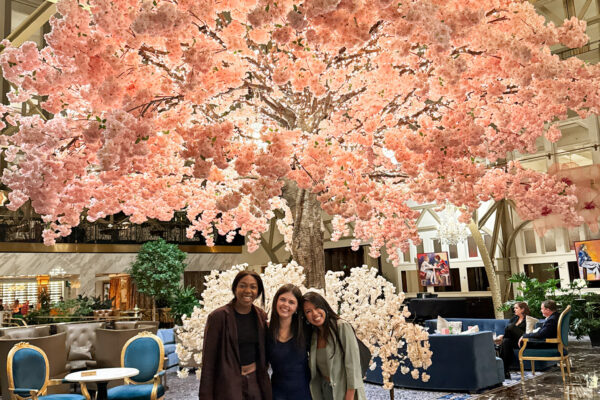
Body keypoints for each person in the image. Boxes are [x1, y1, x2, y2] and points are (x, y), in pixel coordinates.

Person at [199, 270, 272, 400]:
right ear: (235, 288)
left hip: (255, 382)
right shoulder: (218, 317)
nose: (248, 290)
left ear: (258, 291)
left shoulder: (261, 316)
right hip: (228, 384)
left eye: (253, 287)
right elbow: (208, 361)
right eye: (242, 285)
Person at [303, 291, 366, 400]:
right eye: (308, 311)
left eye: (317, 307)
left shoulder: (341, 326)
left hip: (345, 390)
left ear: (324, 306)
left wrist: (350, 396)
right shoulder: (314, 334)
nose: (314, 313)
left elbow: (353, 365)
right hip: (325, 390)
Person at [267, 284, 311, 400]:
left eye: (291, 302)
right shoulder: (267, 331)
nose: (286, 305)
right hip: (277, 393)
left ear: (297, 308)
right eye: (282, 300)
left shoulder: (306, 330)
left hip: (304, 392)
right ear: (276, 301)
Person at [496, 302, 530, 378]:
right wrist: (504, 337)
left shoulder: (528, 319)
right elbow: (508, 331)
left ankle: (503, 369)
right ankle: (505, 371)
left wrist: (503, 336)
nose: (514, 309)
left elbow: (527, 332)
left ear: (522, 309)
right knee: (506, 342)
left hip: (521, 340)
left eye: (516, 308)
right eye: (514, 308)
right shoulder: (514, 318)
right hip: (512, 341)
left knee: (510, 328)